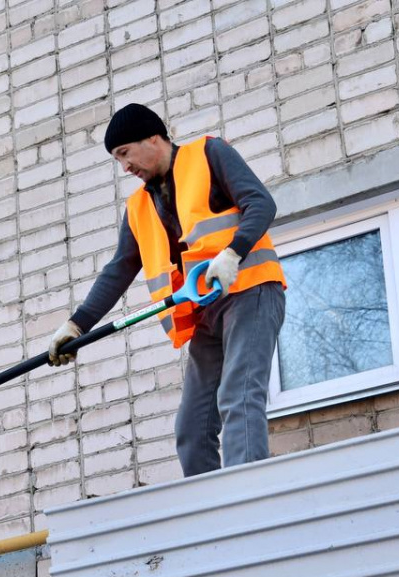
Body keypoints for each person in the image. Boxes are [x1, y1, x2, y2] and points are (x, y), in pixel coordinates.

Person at [47, 103, 286, 477]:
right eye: (117, 160)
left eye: (125, 153)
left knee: (238, 399)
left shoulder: (209, 154)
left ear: (153, 138)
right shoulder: (139, 206)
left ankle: (249, 502)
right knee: (192, 429)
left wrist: (233, 252)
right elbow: (119, 269)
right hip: (207, 314)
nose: (124, 167)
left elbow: (261, 202)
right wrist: (77, 325)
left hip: (250, 291)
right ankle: (212, 515)